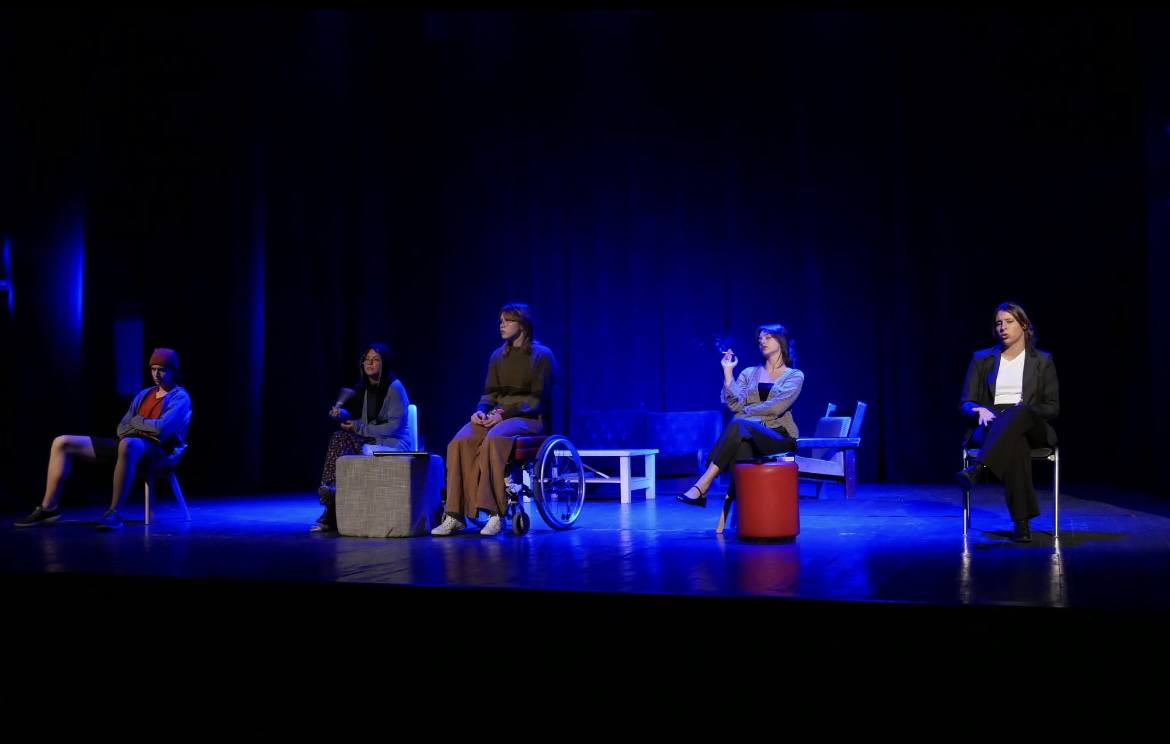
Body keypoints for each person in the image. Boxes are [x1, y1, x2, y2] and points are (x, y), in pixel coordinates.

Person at [14, 348, 192, 530]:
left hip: (158, 452)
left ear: (173, 371)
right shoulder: (144, 394)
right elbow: (121, 427)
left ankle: (115, 512)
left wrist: (137, 421)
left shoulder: (180, 396)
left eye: (162, 370)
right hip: (127, 445)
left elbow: (162, 429)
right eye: (153, 369)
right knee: (62, 442)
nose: (156, 374)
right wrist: (139, 425)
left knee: (128, 443)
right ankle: (49, 508)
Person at [431, 303, 555, 537]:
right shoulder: (498, 356)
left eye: (508, 321)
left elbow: (537, 400)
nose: (502, 325)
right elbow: (489, 393)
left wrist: (502, 415)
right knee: (460, 441)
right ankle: (455, 514)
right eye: (500, 321)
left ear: (523, 325)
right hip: (499, 415)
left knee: (495, 438)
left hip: (528, 418)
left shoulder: (542, 355)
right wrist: (480, 411)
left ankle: (495, 512)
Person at [956, 301, 1059, 543]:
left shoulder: (1042, 361)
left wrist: (1022, 411)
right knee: (1016, 444)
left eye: (1009, 322)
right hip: (991, 423)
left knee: (1018, 414)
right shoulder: (981, 359)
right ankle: (1022, 524)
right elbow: (966, 402)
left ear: (1024, 325)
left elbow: (1052, 407)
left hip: (1032, 424)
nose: (1002, 327)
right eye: (998, 323)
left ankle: (980, 469)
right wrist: (978, 409)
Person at [678, 324, 804, 507]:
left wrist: (747, 412)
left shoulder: (794, 375)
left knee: (739, 423)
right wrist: (728, 372)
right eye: (760, 339)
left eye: (768, 337)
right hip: (750, 436)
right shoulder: (749, 373)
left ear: (781, 341)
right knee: (741, 446)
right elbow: (735, 405)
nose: (762, 341)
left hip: (779, 437)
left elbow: (776, 408)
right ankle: (741, 512)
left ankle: (702, 486)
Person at [312, 342, 412, 532]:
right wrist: (341, 414)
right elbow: (356, 416)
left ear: (385, 363)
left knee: (347, 439)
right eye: (367, 359)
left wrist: (359, 428)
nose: (369, 363)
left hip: (393, 443)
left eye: (375, 360)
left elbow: (394, 427)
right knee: (339, 437)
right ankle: (330, 493)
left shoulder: (395, 388)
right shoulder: (365, 388)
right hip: (372, 439)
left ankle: (331, 508)